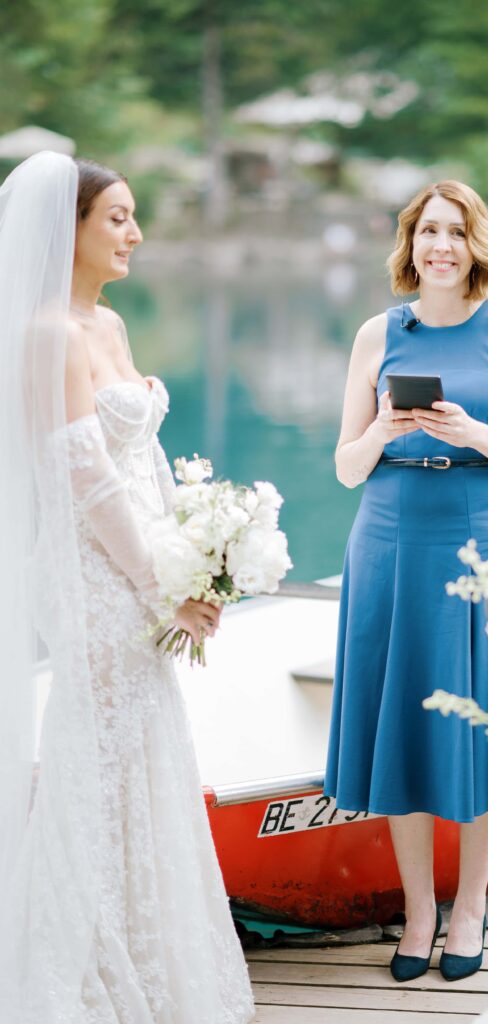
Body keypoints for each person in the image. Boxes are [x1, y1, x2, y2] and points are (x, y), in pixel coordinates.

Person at [0, 152, 254, 1023]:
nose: (135, 233)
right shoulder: (49, 337)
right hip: (98, 579)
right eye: (116, 218)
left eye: (134, 216)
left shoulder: (105, 325)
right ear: (64, 230)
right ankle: (81, 964)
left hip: (148, 564)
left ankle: (154, 950)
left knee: (147, 758)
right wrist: (161, 588)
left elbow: (140, 460)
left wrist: (203, 556)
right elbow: (88, 482)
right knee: (97, 762)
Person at [324, 180, 488, 984]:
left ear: (477, 245)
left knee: (485, 726)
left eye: (456, 232)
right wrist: (386, 427)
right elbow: (348, 468)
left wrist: (474, 432)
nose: (441, 247)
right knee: (406, 723)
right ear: (410, 243)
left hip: (482, 536)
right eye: (428, 232)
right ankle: (419, 911)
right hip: (389, 533)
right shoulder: (376, 334)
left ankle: (469, 907)